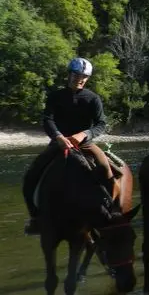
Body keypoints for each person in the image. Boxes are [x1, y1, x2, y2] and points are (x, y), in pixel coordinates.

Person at [22, 57, 112, 235]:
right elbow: (48, 119)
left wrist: (84, 134)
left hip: (85, 144)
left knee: (106, 169)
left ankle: (112, 211)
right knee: (31, 175)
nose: (80, 79)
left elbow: (101, 124)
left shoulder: (93, 98)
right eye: (77, 74)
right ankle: (36, 218)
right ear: (69, 74)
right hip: (59, 143)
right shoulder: (56, 96)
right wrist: (58, 137)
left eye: (84, 76)